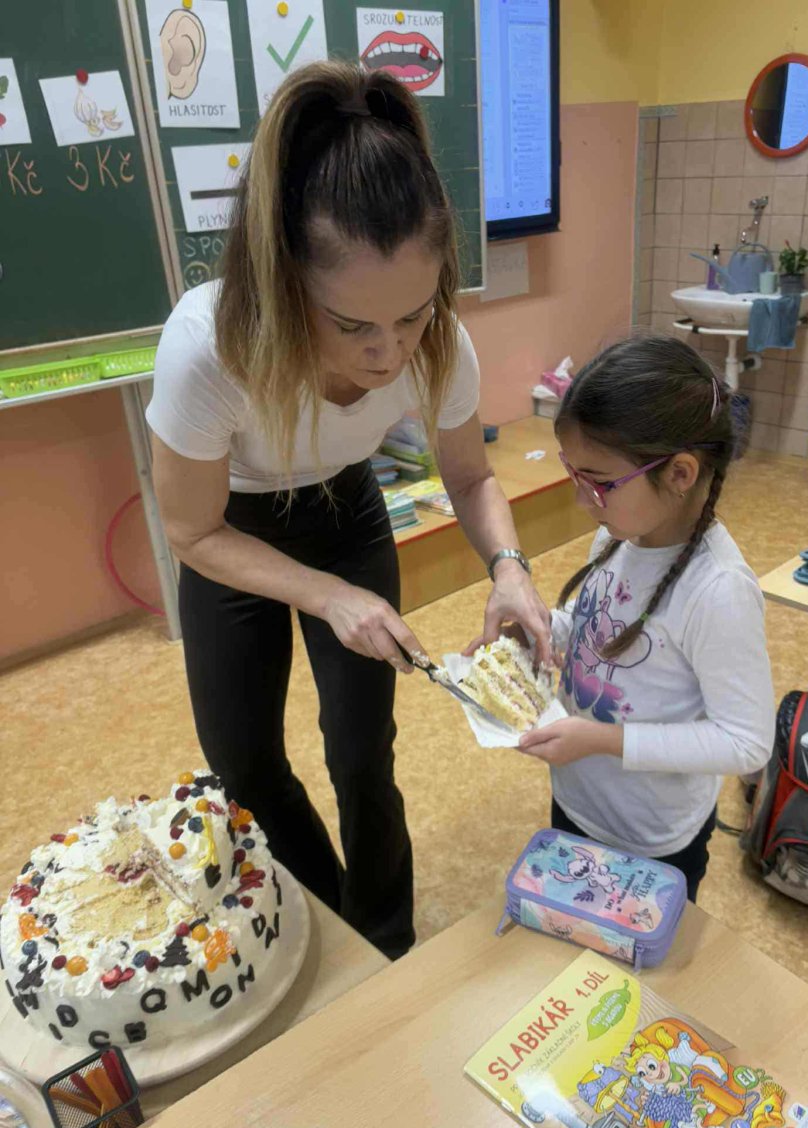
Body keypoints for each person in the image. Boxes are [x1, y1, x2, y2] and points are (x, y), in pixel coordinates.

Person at [147, 61, 550, 959]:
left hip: (348, 515)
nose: (389, 352)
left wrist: (509, 569)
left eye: (412, 316)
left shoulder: (441, 345)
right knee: (244, 762)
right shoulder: (209, 347)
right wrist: (328, 597)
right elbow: (191, 530)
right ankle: (327, 928)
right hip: (234, 534)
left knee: (363, 749)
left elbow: (471, 478)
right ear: (284, 281)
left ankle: (385, 939)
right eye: (354, 325)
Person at [518, 335, 775, 901]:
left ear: (680, 473)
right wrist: (539, 631)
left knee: (639, 955)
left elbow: (746, 743)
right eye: (573, 475)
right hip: (578, 799)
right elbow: (594, 628)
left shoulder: (718, 591)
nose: (582, 500)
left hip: (653, 839)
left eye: (598, 482)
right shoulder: (621, 535)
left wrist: (602, 740)